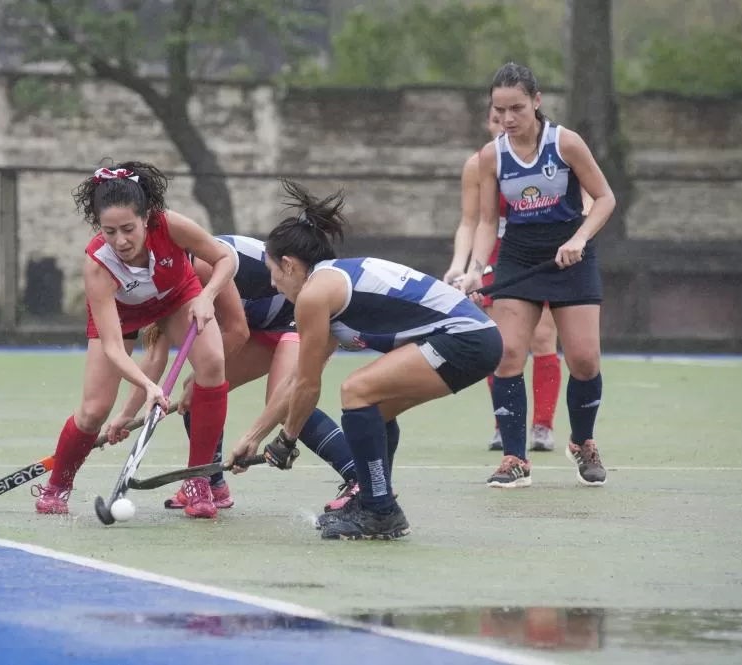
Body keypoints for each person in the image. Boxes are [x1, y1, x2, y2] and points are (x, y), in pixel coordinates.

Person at [229, 180, 503, 540]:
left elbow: (310, 386)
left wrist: (287, 439)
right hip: (474, 339)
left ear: (290, 265)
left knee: (357, 390)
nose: (274, 283)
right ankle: (375, 500)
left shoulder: (315, 294)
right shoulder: (328, 287)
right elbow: (298, 379)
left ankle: (379, 510)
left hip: (466, 340)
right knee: (377, 409)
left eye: (273, 272)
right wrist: (253, 437)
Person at [31, 161, 235, 519]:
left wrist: (208, 294)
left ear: (146, 218)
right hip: (122, 316)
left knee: (213, 363)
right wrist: (147, 387)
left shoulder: (170, 224)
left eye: (128, 229)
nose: (120, 241)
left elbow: (224, 258)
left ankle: (198, 481)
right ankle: (58, 485)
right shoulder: (98, 265)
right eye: (109, 231)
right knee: (95, 410)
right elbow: (113, 347)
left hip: (176, 295)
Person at [108, 234, 359, 513]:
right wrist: (127, 414)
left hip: (297, 314)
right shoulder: (161, 287)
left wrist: (201, 379)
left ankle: (360, 480)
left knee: (285, 399)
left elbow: (238, 332)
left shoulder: (196, 264)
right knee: (201, 392)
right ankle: (211, 484)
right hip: (262, 323)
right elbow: (156, 355)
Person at [460, 62, 615, 489]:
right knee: (508, 353)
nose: (508, 119)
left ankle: (582, 441)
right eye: (500, 109)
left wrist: (579, 239)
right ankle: (514, 458)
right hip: (520, 256)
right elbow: (488, 222)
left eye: (517, 108)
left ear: (537, 101)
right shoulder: (491, 156)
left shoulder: (566, 143)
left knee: (584, 359)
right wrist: (476, 270)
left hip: (571, 255)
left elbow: (604, 198)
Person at [444, 107, 562, 453]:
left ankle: (542, 425)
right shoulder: (478, 164)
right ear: (488, 122)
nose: (502, 126)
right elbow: (471, 222)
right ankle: (504, 423)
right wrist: (460, 266)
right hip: (495, 257)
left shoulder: (546, 158)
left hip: (538, 255)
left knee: (543, 337)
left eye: (508, 118)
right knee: (502, 344)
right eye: (495, 120)